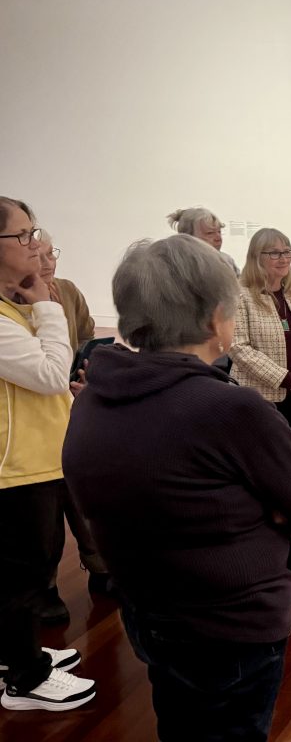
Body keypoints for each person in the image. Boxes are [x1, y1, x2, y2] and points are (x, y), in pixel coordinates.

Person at [63, 234, 291, 741]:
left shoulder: (93, 399)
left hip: (149, 612)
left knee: (182, 723)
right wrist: (261, 512)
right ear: (216, 319)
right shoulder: (230, 411)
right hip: (230, 631)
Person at [0, 197, 96, 712]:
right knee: (22, 574)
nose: (36, 245)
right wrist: (48, 306)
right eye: (24, 235)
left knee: (28, 569)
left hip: (35, 458)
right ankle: (24, 679)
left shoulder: (12, 306)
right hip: (15, 467)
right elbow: (49, 373)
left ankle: (16, 653)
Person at [37, 230, 112, 622]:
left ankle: (101, 568)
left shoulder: (67, 291)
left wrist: (88, 372)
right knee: (44, 508)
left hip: (71, 406)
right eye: (40, 253)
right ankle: (45, 586)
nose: (49, 261)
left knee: (83, 490)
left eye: (53, 253)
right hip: (35, 417)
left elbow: (86, 338)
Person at [230, 228, 291, 439]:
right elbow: (238, 347)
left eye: (287, 252)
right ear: (257, 257)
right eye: (274, 253)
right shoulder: (240, 295)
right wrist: (286, 378)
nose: (283, 259)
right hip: (258, 396)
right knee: (260, 460)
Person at [167, 206, 240, 275]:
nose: (218, 238)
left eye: (219, 232)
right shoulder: (177, 266)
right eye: (210, 233)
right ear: (188, 238)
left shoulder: (227, 261)